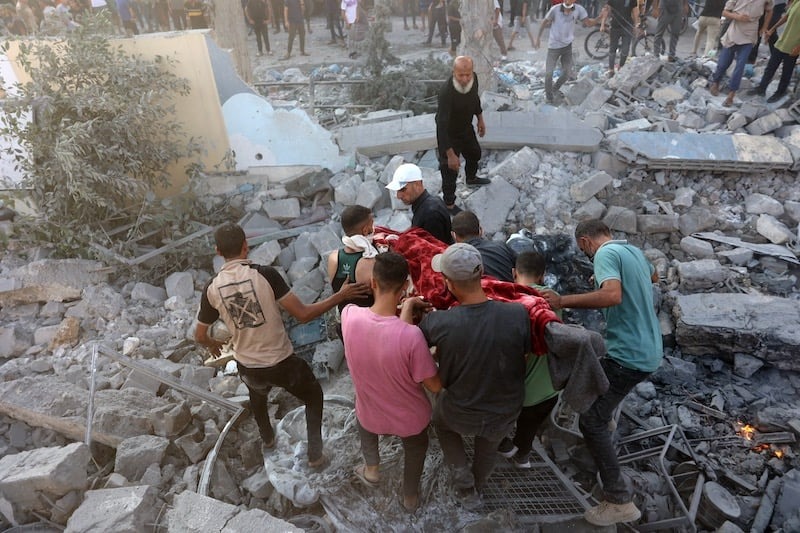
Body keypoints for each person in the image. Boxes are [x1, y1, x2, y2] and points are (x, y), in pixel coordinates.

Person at [194, 223, 371, 468]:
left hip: (248, 367)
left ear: (217, 251)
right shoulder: (266, 275)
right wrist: (341, 295)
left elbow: (199, 335)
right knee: (313, 396)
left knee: (257, 395)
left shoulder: (211, 288)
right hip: (281, 363)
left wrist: (212, 344)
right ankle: (316, 455)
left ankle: (267, 438)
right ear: (246, 246)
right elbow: (304, 315)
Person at [541, 219, 663, 527]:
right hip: (649, 349)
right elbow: (655, 276)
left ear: (585, 242)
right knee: (601, 386)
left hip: (630, 355)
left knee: (590, 421)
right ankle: (604, 415)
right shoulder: (631, 251)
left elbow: (611, 296)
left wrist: (562, 301)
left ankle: (619, 500)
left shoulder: (605, 253)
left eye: (583, 248)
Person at [402, 243, 529, 503]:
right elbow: (523, 354)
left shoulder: (439, 322)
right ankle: (478, 483)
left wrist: (409, 307)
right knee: (489, 444)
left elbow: (402, 342)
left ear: (447, 282)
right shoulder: (517, 313)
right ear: (481, 273)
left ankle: (464, 484)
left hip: (459, 411)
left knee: (443, 425)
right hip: (505, 409)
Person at [342, 252, 442, 512]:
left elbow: (386, 335)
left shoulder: (349, 315)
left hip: (370, 414)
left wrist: (406, 308)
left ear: (373, 283)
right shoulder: (412, 337)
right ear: (405, 285)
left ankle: (372, 470)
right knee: (416, 448)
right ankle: (410, 497)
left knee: (363, 419)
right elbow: (434, 386)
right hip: (410, 421)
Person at [497, 251, 560, 468]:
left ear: (513, 273)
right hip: (548, 388)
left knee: (495, 419)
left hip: (515, 389)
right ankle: (522, 457)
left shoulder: (507, 299)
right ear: (542, 276)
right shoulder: (553, 298)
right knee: (528, 427)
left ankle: (502, 444)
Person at [435, 56, 491, 216]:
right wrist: (450, 154)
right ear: (454, 72)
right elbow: (441, 125)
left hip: (466, 127)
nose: (465, 79)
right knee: (449, 170)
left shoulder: (474, 79)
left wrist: (480, 119)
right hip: (449, 133)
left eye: (468, 74)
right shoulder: (446, 92)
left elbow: (475, 99)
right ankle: (449, 204)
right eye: (461, 75)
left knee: (475, 153)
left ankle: (471, 178)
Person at [708, 0, 773, 107]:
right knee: (723, 63)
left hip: (750, 33)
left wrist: (764, 27)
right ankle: (716, 82)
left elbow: (770, 10)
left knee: (740, 65)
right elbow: (724, 12)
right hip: (734, 31)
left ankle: (731, 95)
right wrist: (737, 17)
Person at [536, 0, 597, 103]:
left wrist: (600, 17)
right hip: (553, 46)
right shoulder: (555, 9)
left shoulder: (579, 9)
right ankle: (549, 97)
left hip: (567, 47)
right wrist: (538, 38)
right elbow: (544, 22)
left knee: (567, 73)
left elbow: (588, 23)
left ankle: (554, 89)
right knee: (549, 73)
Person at [386, 163, 454, 245]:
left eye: (403, 189)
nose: (398, 196)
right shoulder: (426, 206)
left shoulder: (431, 213)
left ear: (417, 184)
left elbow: (435, 249)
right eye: (397, 190)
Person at [327, 205, 377, 312]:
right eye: (372, 224)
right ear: (365, 230)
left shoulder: (333, 258)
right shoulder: (369, 261)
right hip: (367, 321)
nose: (374, 228)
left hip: (344, 319)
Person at [748, 0, 800, 102]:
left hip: (793, 46)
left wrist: (799, 47)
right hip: (782, 41)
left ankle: (780, 92)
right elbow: (786, 17)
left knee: (786, 72)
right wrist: (772, 29)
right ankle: (761, 88)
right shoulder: (796, 2)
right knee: (770, 67)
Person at [450, 210, 517, 282]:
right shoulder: (502, 247)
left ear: (453, 235)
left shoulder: (454, 262)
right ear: (481, 230)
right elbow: (523, 268)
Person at [600, 0, 640, 76]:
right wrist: (602, 24)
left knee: (625, 49)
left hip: (627, 26)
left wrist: (636, 25)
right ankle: (611, 69)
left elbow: (635, 10)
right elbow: (606, 10)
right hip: (615, 26)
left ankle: (621, 66)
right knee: (612, 48)